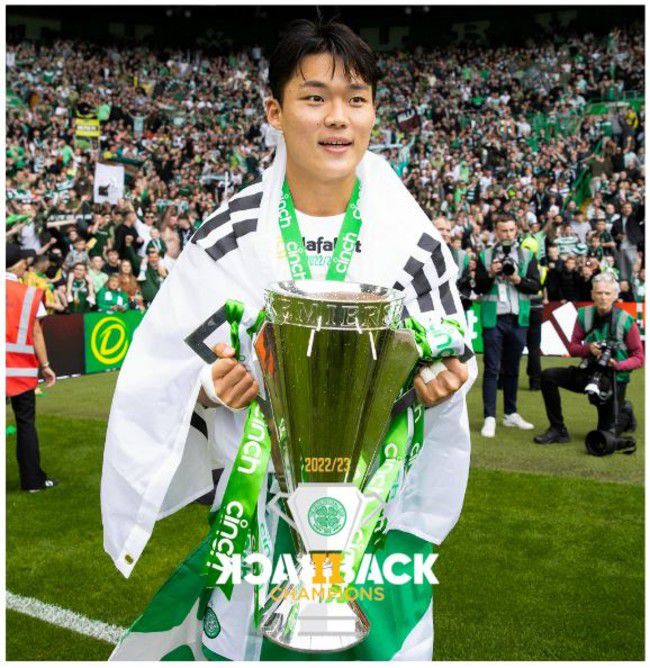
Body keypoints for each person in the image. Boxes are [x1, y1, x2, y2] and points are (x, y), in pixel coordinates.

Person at [103, 19, 476, 662]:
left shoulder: (410, 239)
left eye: (356, 99)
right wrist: (209, 385)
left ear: (374, 112)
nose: (338, 118)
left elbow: (450, 349)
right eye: (314, 97)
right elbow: (161, 368)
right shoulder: (229, 236)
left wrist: (443, 378)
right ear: (274, 112)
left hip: (374, 528)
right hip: (259, 524)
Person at [534, 272, 644, 444]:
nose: (603, 297)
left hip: (613, 378)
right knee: (548, 376)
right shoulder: (584, 314)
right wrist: (589, 349)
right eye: (599, 293)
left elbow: (639, 357)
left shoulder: (626, 320)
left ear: (615, 296)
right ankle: (558, 429)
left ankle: (624, 411)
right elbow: (572, 347)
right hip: (589, 372)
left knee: (604, 436)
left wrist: (618, 365)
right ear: (592, 294)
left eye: (607, 293)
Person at [474, 215, 540, 438]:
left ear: (516, 230)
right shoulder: (485, 255)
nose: (508, 234)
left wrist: (517, 279)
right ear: (496, 231)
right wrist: (491, 273)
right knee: (492, 368)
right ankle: (489, 417)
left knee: (513, 368)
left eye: (511, 230)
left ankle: (510, 413)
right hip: (494, 318)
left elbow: (535, 286)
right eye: (503, 230)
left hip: (518, 319)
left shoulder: (527, 255)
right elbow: (479, 287)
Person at [6, 243, 57, 492]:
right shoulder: (28, 293)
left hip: (16, 369)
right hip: (19, 370)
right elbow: (36, 332)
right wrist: (45, 365)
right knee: (25, 424)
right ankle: (33, 481)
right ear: (17, 265)